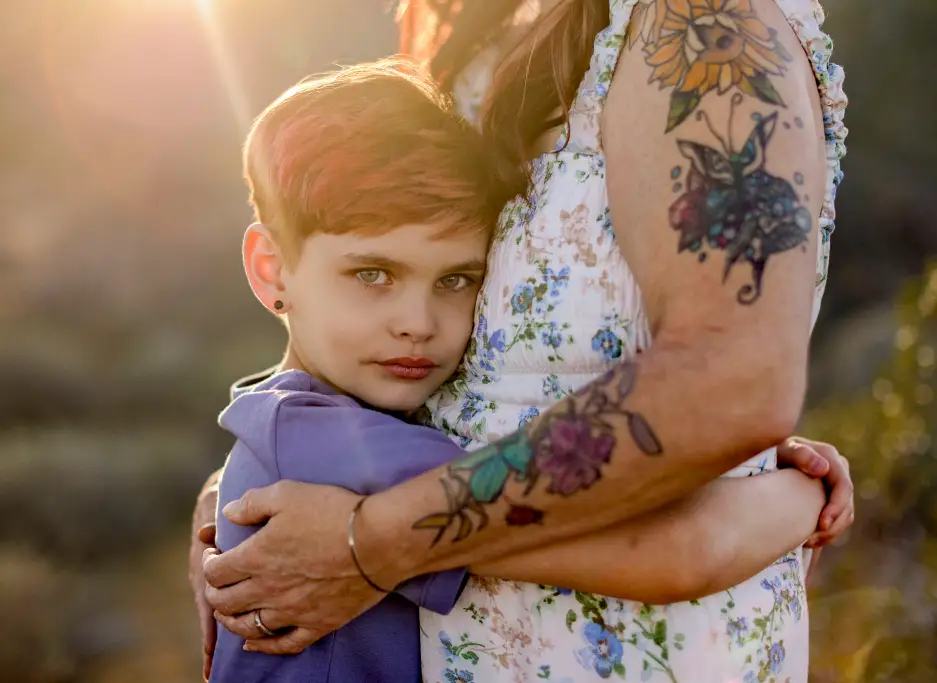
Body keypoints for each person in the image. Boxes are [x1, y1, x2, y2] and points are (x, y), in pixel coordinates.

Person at [194, 0, 850, 680]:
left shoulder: (701, 27)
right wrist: (801, 498)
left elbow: (736, 382)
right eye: (375, 276)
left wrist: (356, 530)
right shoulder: (466, 38)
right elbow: (680, 545)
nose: (418, 322)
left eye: (458, 280)